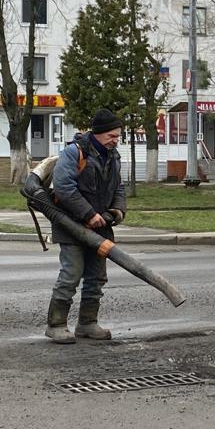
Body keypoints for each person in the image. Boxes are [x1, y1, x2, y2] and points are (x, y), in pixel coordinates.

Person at [45, 109, 126, 344]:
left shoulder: (113, 157)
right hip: (72, 227)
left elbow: (118, 188)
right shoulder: (73, 153)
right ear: (98, 133)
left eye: (118, 136)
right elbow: (63, 187)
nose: (115, 140)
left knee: (96, 277)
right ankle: (56, 324)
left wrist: (118, 211)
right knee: (71, 274)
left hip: (100, 229)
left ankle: (87, 323)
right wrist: (89, 214)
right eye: (112, 136)